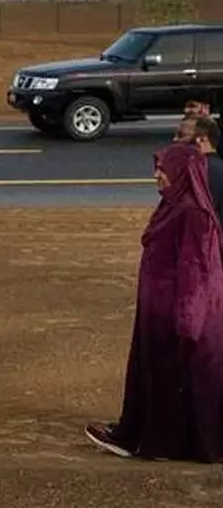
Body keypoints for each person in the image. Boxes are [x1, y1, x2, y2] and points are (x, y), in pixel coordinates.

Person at [85, 142, 223, 462]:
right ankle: (149, 437)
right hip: (160, 310)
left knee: (172, 380)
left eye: (163, 169)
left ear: (181, 172)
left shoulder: (192, 214)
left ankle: (159, 444)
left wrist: (188, 322)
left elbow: (196, 270)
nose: (157, 176)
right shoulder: (174, 205)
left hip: (175, 315)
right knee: (158, 377)